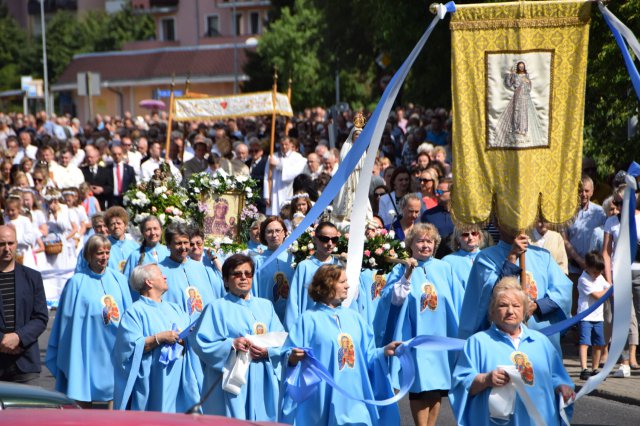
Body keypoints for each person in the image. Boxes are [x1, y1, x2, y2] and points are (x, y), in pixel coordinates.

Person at [281, 264, 401, 425]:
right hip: (323, 397)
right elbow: (288, 353)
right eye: (342, 282)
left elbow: (369, 354)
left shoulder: (355, 318)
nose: (348, 285)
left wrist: (384, 351)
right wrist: (293, 358)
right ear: (327, 285)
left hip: (355, 395)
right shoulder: (308, 319)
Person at [450, 277, 575, 425]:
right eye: (503, 305)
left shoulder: (541, 342)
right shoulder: (478, 343)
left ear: (524, 311)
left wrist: (563, 388)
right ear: (492, 311)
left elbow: (557, 377)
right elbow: (461, 385)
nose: (510, 311)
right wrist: (485, 379)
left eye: (516, 306)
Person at [374, 223, 460, 426]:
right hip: (415, 335)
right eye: (420, 241)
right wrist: (408, 274)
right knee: (420, 385)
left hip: (440, 336)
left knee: (437, 385)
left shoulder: (444, 268)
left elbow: (454, 301)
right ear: (410, 245)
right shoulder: (400, 268)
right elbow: (392, 299)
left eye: (429, 241)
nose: (425, 245)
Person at [190, 254, 285, 421]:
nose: (243, 278)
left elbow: (281, 340)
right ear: (226, 280)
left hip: (262, 377)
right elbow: (200, 342)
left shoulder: (266, 306)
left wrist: (267, 352)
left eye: (248, 274)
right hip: (231, 381)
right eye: (237, 274)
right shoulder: (216, 307)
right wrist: (231, 344)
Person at [46, 235, 133, 408]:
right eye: (100, 253)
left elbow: (129, 314)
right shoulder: (76, 282)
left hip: (113, 348)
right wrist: (69, 350)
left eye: (107, 252)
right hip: (86, 348)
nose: (104, 257)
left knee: (115, 391)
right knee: (82, 389)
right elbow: (66, 321)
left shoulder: (119, 280)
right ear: (89, 255)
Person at [458, 227, 572, 354]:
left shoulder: (543, 255)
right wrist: (512, 257)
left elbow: (563, 292)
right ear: (498, 222)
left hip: (542, 340)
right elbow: (491, 297)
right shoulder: (485, 258)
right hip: (502, 342)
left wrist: (536, 306)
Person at [113, 264, 200, 412]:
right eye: (160, 274)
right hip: (153, 382)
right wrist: (159, 338)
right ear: (149, 282)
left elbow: (188, 334)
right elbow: (128, 349)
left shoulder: (175, 308)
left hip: (178, 383)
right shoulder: (135, 312)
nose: (165, 277)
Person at [0, 225, 48, 383]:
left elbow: (40, 317)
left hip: (25, 363)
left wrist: (18, 337)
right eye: (2, 244)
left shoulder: (33, 277)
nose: (7, 248)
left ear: (16, 244)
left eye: (11, 243)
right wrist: (3, 341)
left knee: (26, 408)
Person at [602, 185, 639, 375]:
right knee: (623, 317)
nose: (619, 206)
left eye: (623, 202)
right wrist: (610, 281)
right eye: (617, 202)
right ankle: (625, 361)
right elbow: (606, 253)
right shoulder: (611, 222)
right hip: (620, 274)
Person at [285, 221, 343, 331]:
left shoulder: (340, 266)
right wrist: (293, 330)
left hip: (335, 326)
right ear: (315, 239)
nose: (330, 243)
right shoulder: (304, 266)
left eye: (334, 239)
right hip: (310, 326)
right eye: (325, 239)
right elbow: (294, 301)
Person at [159, 222, 223, 318]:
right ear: (168, 245)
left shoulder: (200, 268)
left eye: (186, 242)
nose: (183, 247)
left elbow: (209, 299)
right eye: (178, 243)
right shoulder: (159, 271)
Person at [253, 217, 295, 323]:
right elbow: (254, 291)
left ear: (284, 233)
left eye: (278, 231)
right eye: (269, 232)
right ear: (264, 235)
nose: (274, 235)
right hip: (266, 317)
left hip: (290, 316)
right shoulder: (258, 261)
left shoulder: (294, 258)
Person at [577, 251, 610, 380]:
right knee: (585, 342)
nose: (597, 275)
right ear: (588, 267)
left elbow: (610, 290)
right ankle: (584, 368)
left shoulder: (600, 277)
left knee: (598, 344)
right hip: (585, 316)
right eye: (595, 272)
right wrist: (610, 289)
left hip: (598, 317)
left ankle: (595, 369)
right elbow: (598, 296)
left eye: (599, 272)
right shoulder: (583, 279)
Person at [333, 113, 371, 221]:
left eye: (360, 134)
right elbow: (343, 161)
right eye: (356, 134)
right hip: (348, 176)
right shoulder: (347, 146)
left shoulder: (363, 149)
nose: (358, 137)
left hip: (359, 176)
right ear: (352, 135)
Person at [264, 137, 306, 216]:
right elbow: (267, 176)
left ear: (291, 144)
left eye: (286, 144)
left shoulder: (297, 157)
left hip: (289, 189)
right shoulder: (273, 157)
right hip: (274, 190)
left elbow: (295, 173)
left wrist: (279, 165)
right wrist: (267, 195)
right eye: (282, 144)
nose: (284, 147)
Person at [123, 215, 170, 283]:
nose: (153, 233)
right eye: (148, 230)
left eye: (155, 228)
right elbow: (126, 281)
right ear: (143, 233)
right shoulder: (135, 255)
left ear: (161, 230)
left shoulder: (168, 252)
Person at [442, 224, 485, 294]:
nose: (470, 237)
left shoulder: (488, 257)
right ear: (457, 239)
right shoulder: (447, 262)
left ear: (479, 236)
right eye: (465, 234)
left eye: (474, 233)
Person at [104, 206, 139, 274]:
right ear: (108, 227)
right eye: (112, 224)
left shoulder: (135, 246)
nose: (116, 226)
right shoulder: (104, 246)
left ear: (125, 226)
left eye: (119, 223)